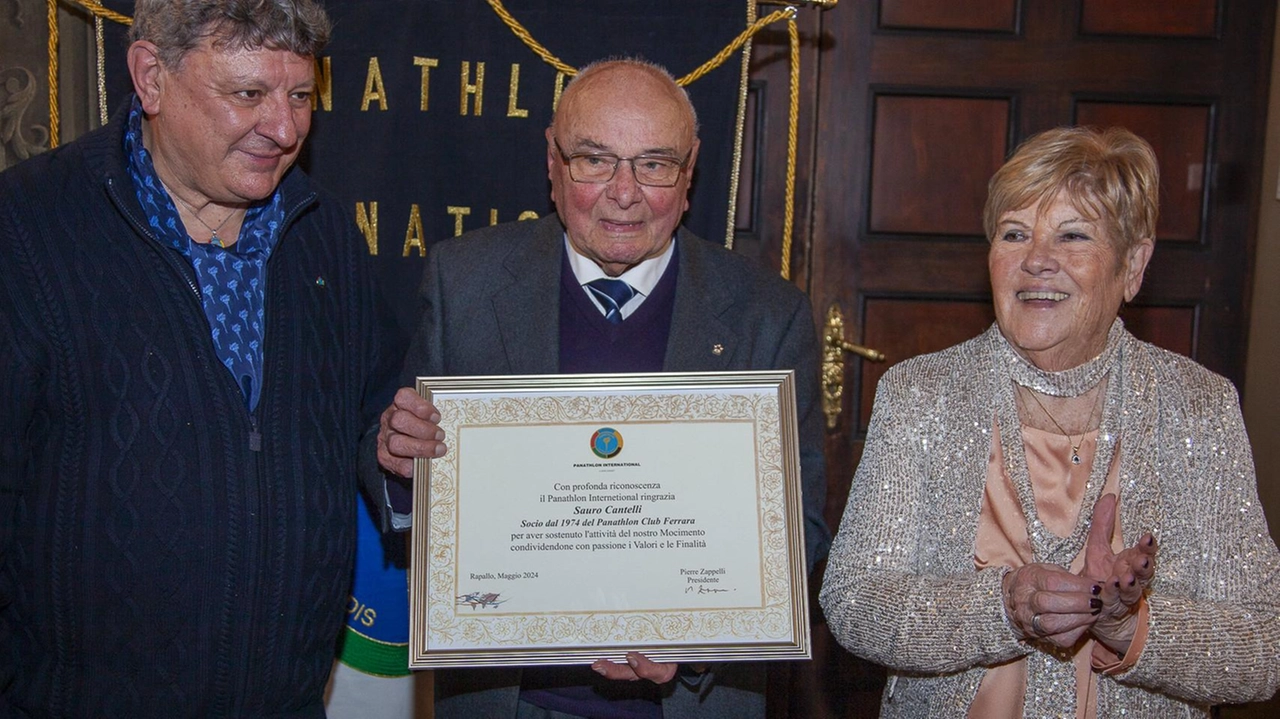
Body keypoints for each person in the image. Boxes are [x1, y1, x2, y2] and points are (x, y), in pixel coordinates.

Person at [372, 58, 831, 718]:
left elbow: (800, 528)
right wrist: (397, 460)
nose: (625, 192)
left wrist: (700, 637)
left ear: (691, 167)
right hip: (510, 701)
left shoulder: (768, 314)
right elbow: (396, 455)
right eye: (595, 159)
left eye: (654, 163)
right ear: (553, 162)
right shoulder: (465, 283)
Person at [0, 1, 397, 715]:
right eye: (248, 94)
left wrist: (396, 445)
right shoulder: (25, 230)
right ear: (151, 78)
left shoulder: (326, 234)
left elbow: (375, 419)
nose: (284, 128)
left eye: (301, 96)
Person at [819, 126, 1280, 717]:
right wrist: (1004, 606)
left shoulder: (1199, 407)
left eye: (1073, 235)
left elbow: (1263, 649)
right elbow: (854, 604)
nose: (1037, 260)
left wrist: (1131, 627)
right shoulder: (920, 394)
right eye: (1014, 234)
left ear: (1133, 266)